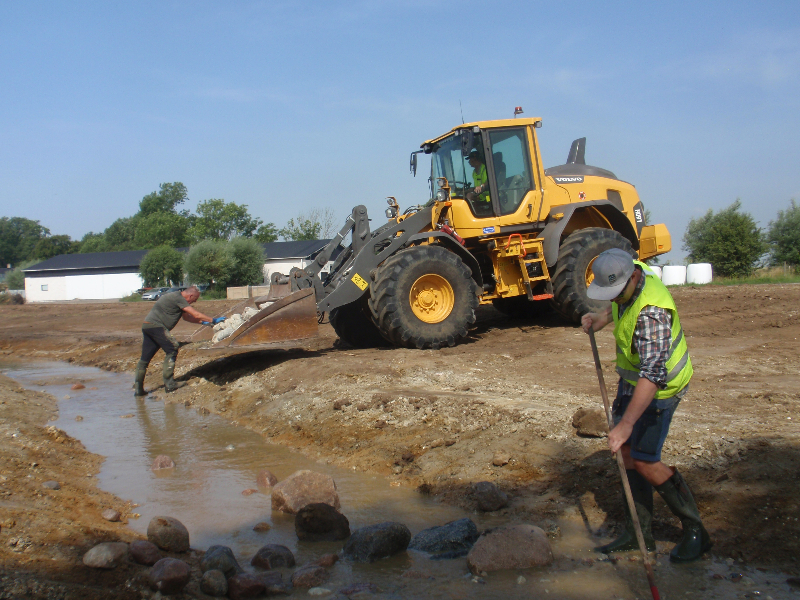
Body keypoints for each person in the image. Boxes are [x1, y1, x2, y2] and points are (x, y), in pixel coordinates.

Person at [581, 248, 711, 563]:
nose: (613, 299)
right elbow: (623, 307)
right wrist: (600, 319)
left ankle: (696, 530)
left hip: (661, 387)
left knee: (644, 458)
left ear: (634, 277)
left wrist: (625, 425)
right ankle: (638, 533)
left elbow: (654, 375)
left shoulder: (653, 312)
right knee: (626, 454)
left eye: (615, 294)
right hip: (633, 380)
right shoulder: (630, 273)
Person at [133, 286, 224, 395]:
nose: (194, 302)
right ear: (190, 296)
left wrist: (204, 322)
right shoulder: (178, 298)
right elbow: (195, 314)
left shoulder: (175, 298)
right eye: (194, 300)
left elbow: (188, 317)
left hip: (147, 326)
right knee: (172, 348)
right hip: (156, 327)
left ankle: (138, 390)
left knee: (145, 359)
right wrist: (213, 320)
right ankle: (170, 384)